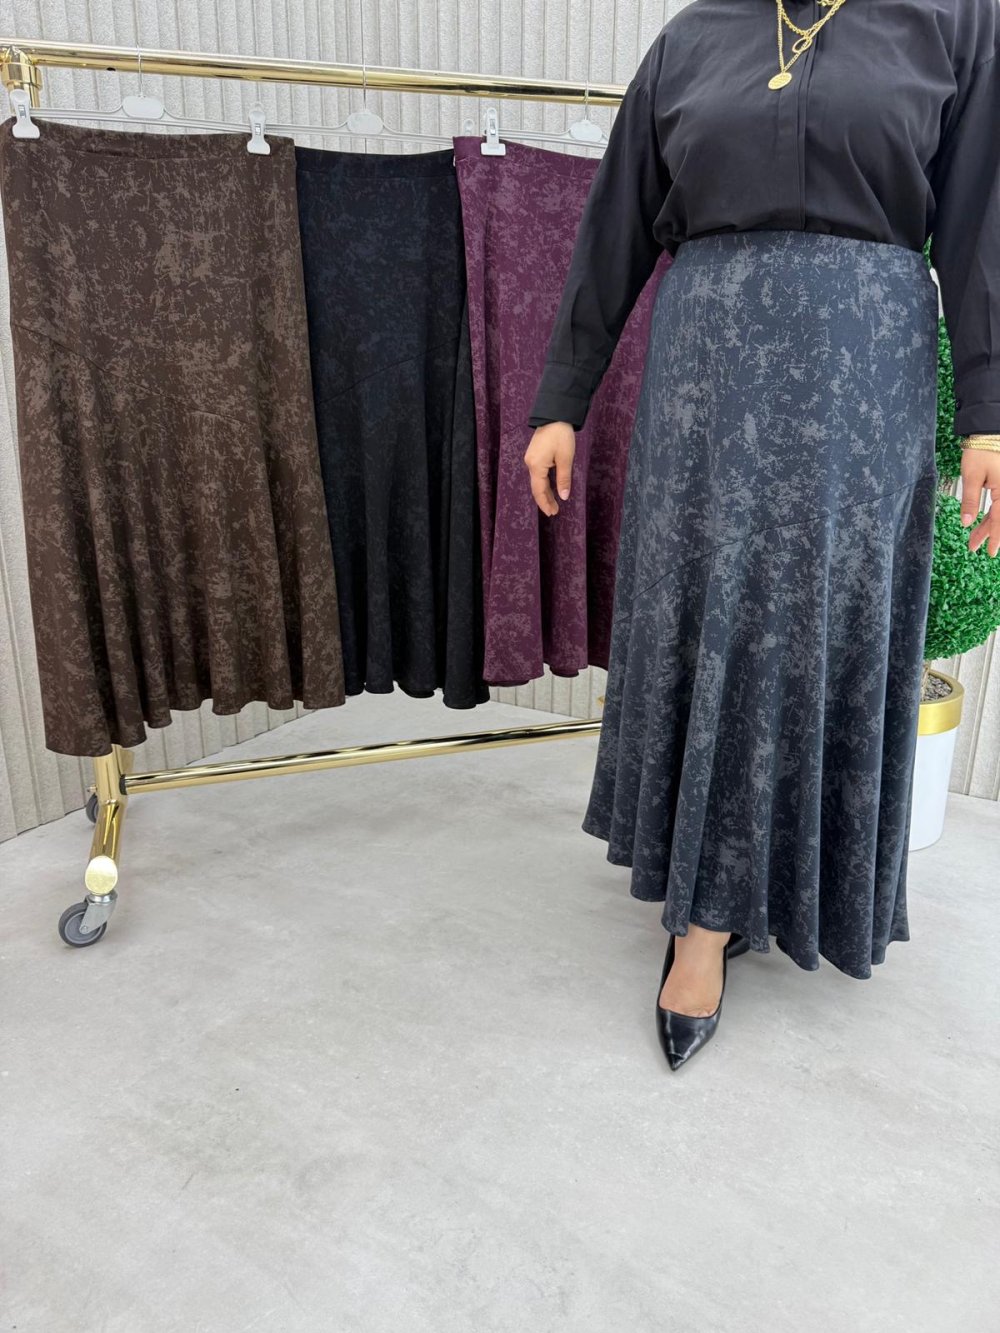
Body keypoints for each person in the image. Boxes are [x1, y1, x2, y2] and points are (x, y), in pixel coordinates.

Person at [524, 0, 1000, 1070]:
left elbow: (982, 226)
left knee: (819, 629)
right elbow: (614, 222)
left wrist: (989, 415)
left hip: (861, 380)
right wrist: (563, 398)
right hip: (705, 377)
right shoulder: (694, 38)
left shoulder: (954, 23)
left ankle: (794, 886)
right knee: (713, 627)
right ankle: (701, 919)